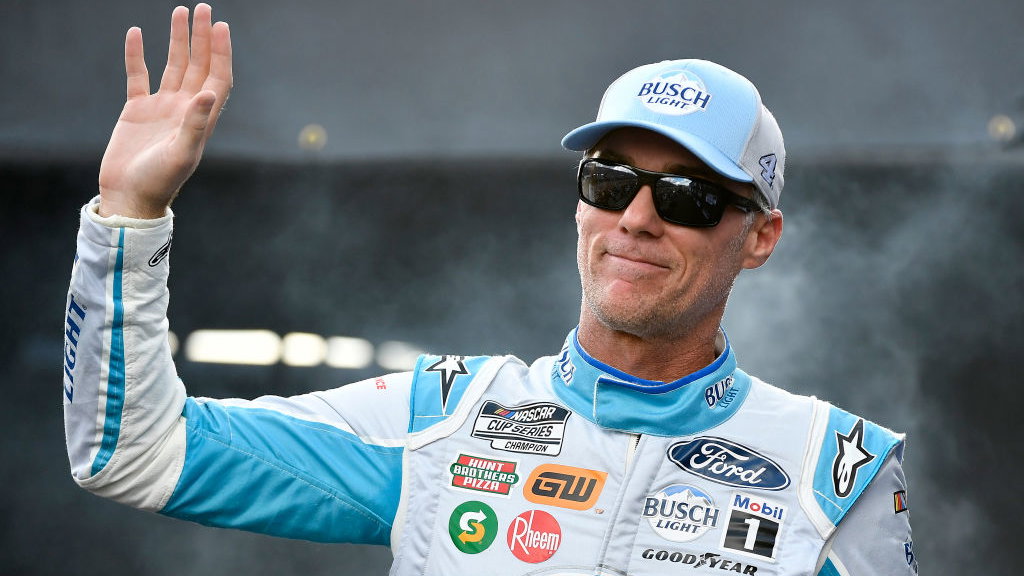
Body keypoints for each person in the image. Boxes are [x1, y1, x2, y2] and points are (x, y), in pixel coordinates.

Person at [62, 4, 916, 575]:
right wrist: (129, 215)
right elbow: (131, 451)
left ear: (759, 238)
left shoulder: (835, 472)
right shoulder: (447, 418)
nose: (636, 219)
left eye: (687, 197)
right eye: (610, 181)